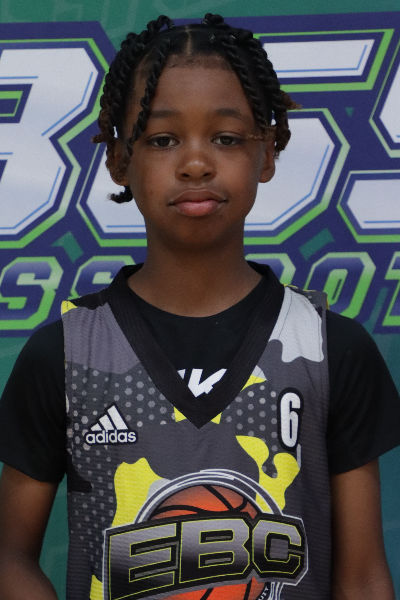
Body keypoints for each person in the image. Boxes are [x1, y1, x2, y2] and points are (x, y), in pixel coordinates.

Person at [0, 13, 399, 600]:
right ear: (119, 159)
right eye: (162, 139)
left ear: (267, 154)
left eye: (226, 138)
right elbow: (9, 556)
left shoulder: (329, 350)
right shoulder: (64, 354)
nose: (195, 163)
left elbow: (362, 577)